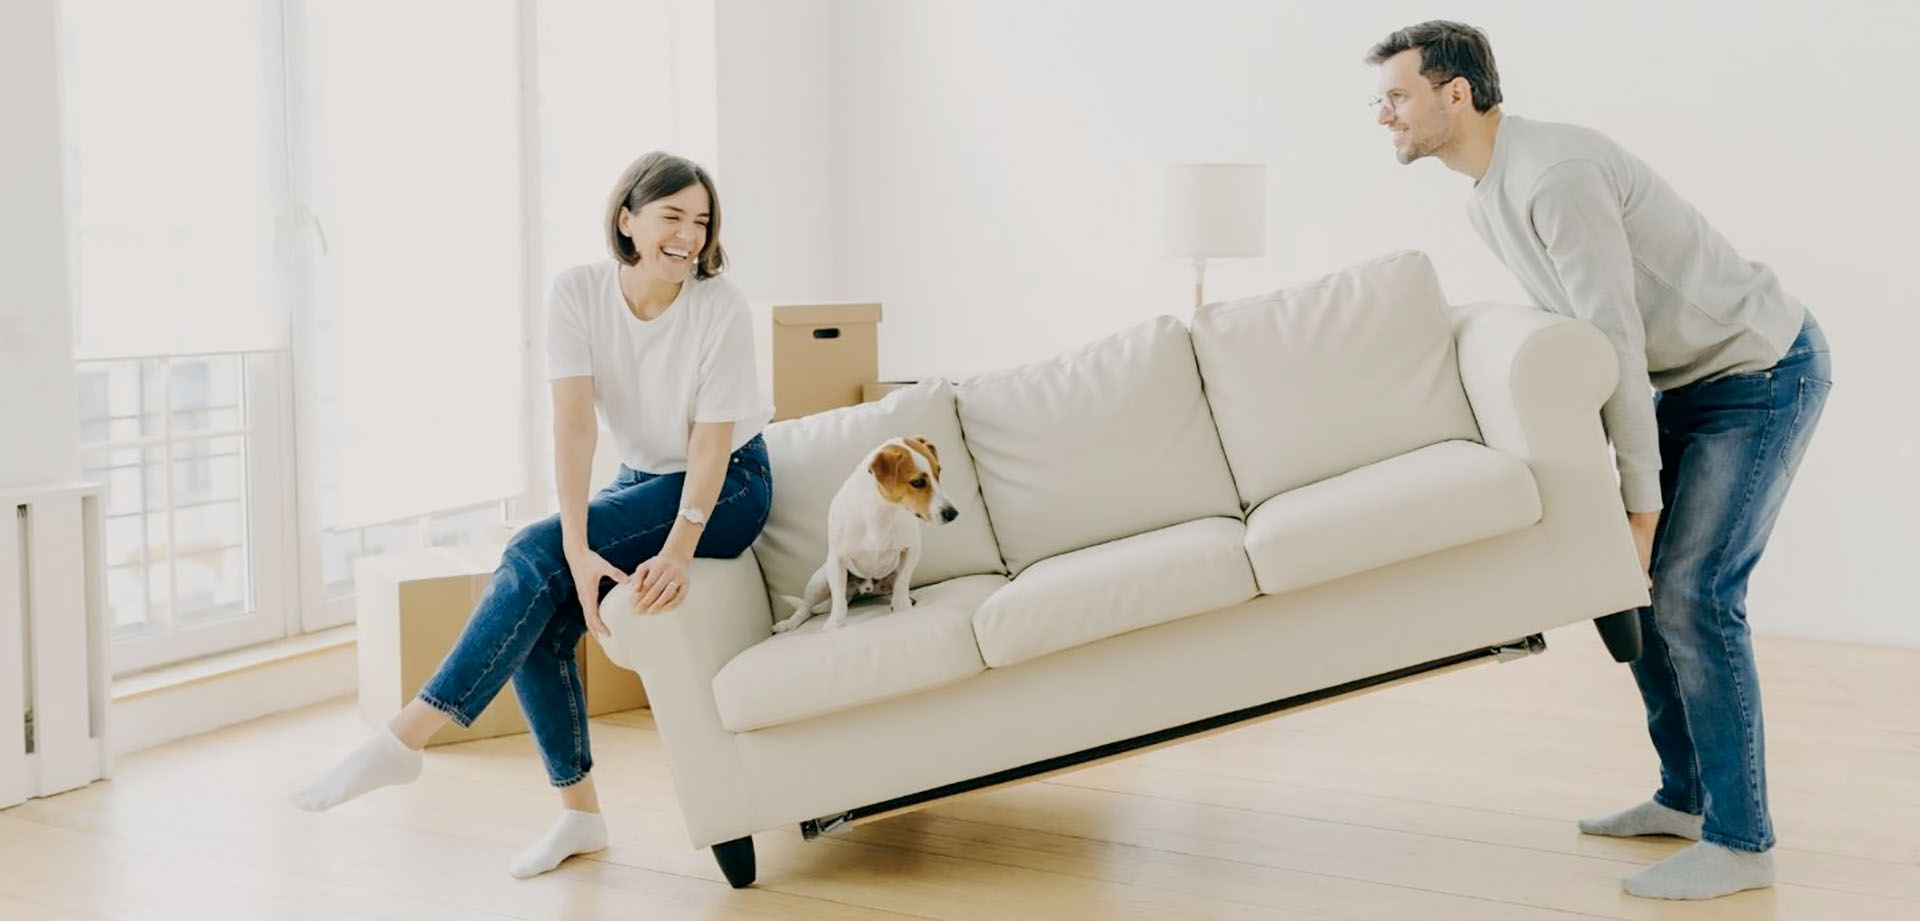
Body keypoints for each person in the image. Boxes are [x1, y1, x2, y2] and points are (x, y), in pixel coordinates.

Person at [1365, 20, 1832, 900]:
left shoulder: (1554, 177)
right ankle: (1687, 796)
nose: (1383, 114)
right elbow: (1583, 338)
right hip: (1687, 382)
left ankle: (1742, 840)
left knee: (1693, 591)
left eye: (1396, 95)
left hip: (1760, 371)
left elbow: (1611, 338)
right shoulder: (1488, 194)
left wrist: (1641, 504)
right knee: (1638, 585)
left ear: (1453, 92)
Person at [291, 151, 775, 879]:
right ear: (628, 220)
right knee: (546, 604)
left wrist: (677, 549)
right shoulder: (577, 294)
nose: (689, 236)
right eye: (672, 216)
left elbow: (710, 446)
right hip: (642, 479)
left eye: (701, 221)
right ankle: (579, 814)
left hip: (730, 485)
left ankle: (405, 737)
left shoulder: (719, 305)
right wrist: (577, 548)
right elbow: (574, 427)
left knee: (525, 552)